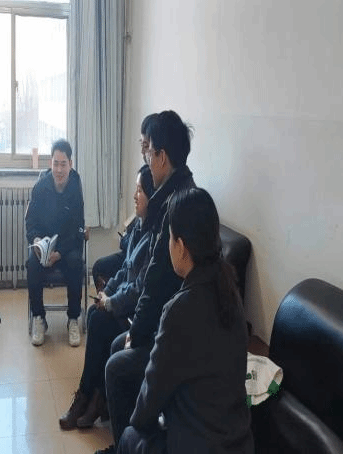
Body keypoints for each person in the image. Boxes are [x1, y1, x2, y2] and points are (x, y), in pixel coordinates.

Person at [118, 188, 254, 454]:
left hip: (198, 445)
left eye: (169, 238)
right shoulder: (229, 290)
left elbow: (152, 393)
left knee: (129, 436)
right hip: (236, 441)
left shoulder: (181, 309)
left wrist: (137, 424)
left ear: (180, 246)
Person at [102, 110, 196, 452]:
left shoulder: (173, 205)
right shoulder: (179, 192)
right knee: (116, 347)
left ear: (162, 157)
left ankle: (126, 444)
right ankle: (125, 440)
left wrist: (138, 333)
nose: (147, 159)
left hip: (173, 332)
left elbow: (155, 283)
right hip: (166, 322)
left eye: (149, 151)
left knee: (117, 365)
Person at [59, 165, 155, 431]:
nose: (134, 196)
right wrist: (107, 292)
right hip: (126, 305)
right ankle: (89, 395)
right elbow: (125, 269)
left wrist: (111, 302)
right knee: (94, 312)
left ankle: (92, 396)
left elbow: (139, 288)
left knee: (99, 320)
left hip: (136, 315)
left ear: (153, 196)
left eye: (140, 191)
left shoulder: (154, 237)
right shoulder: (139, 227)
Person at [25, 139, 85, 347]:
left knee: (76, 262)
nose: (59, 170)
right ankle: (39, 318)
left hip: (67, 247)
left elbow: (78, 228)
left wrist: (59, 253)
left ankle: (73, 319)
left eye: (63, 164)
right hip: (44, 246)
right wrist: (36, 241)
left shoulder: (75, 187)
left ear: (71, 164)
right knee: (32, 265)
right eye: (55, 164)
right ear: (50, 163)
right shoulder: (40, 187)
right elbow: (30, 222)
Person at [91, 113, 157, 293]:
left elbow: (138, 281)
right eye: (141, 145)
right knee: (99, 267)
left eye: (146, 146)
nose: (143, 153)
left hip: (136, 266)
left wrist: (111, 302)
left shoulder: (158, 195)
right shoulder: (145, 174)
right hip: (130, 257)